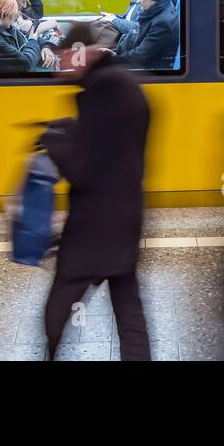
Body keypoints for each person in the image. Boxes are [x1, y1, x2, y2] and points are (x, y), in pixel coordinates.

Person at [41, 23, 151, 360]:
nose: (60, 65)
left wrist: (57, 142)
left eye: (65, 56)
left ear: (83, 52)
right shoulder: (121, 83)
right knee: (128, 309)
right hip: (125, 213)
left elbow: (85, 171)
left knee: (57, 310)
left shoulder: (102, 92)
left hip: (96, 223)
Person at [114, 0, 179, 70]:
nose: (138, 1)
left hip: (154, 70)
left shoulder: (163, 22)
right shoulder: (158, 10)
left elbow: (140, 56)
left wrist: (113, 59)